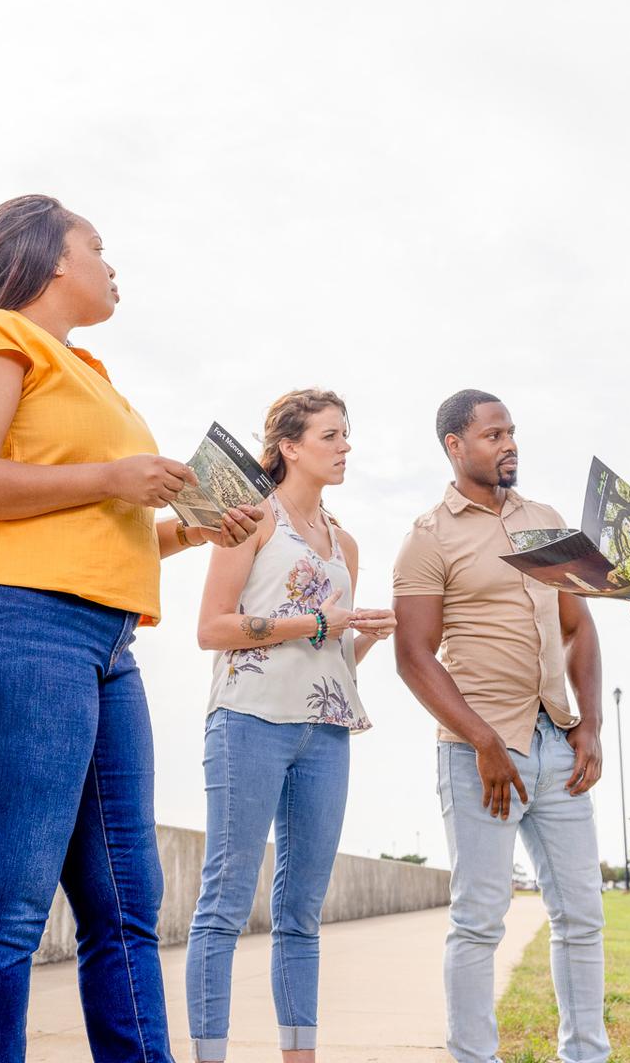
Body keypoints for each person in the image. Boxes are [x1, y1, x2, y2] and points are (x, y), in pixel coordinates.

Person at [0, 194, 263, 1062]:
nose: (112, 264)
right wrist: (116, 473)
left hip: (105, 640)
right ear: (53, 259)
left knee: (127, 905)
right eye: (98, 248)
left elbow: (97, 518)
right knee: (10, 907)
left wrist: (190, 528)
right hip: (7, 620)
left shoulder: (92, 373)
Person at [393, 389, 610, 1063]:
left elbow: (580, 627)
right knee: (479, 921)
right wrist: (483, 740)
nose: (509, 444)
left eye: (512, 432)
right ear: (456, 447)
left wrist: (591, 725)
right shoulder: (430, 536)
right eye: (493, 435)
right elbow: (412, 655)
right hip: (479, 754)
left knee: (582, 918)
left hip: (557, 743)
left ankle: (587, 1055)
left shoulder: (545, 521)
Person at [185, 388, 395, 1063]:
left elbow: (330, 653)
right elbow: (210, 628)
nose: (345, 447)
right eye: (331, 436)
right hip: (248, 720)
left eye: (346, 435)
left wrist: (364, 638)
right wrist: (320, 623)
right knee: (225, 902)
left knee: (303, 913)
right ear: (290, 448)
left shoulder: (347, 544)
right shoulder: (250, 519)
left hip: (325, 733)